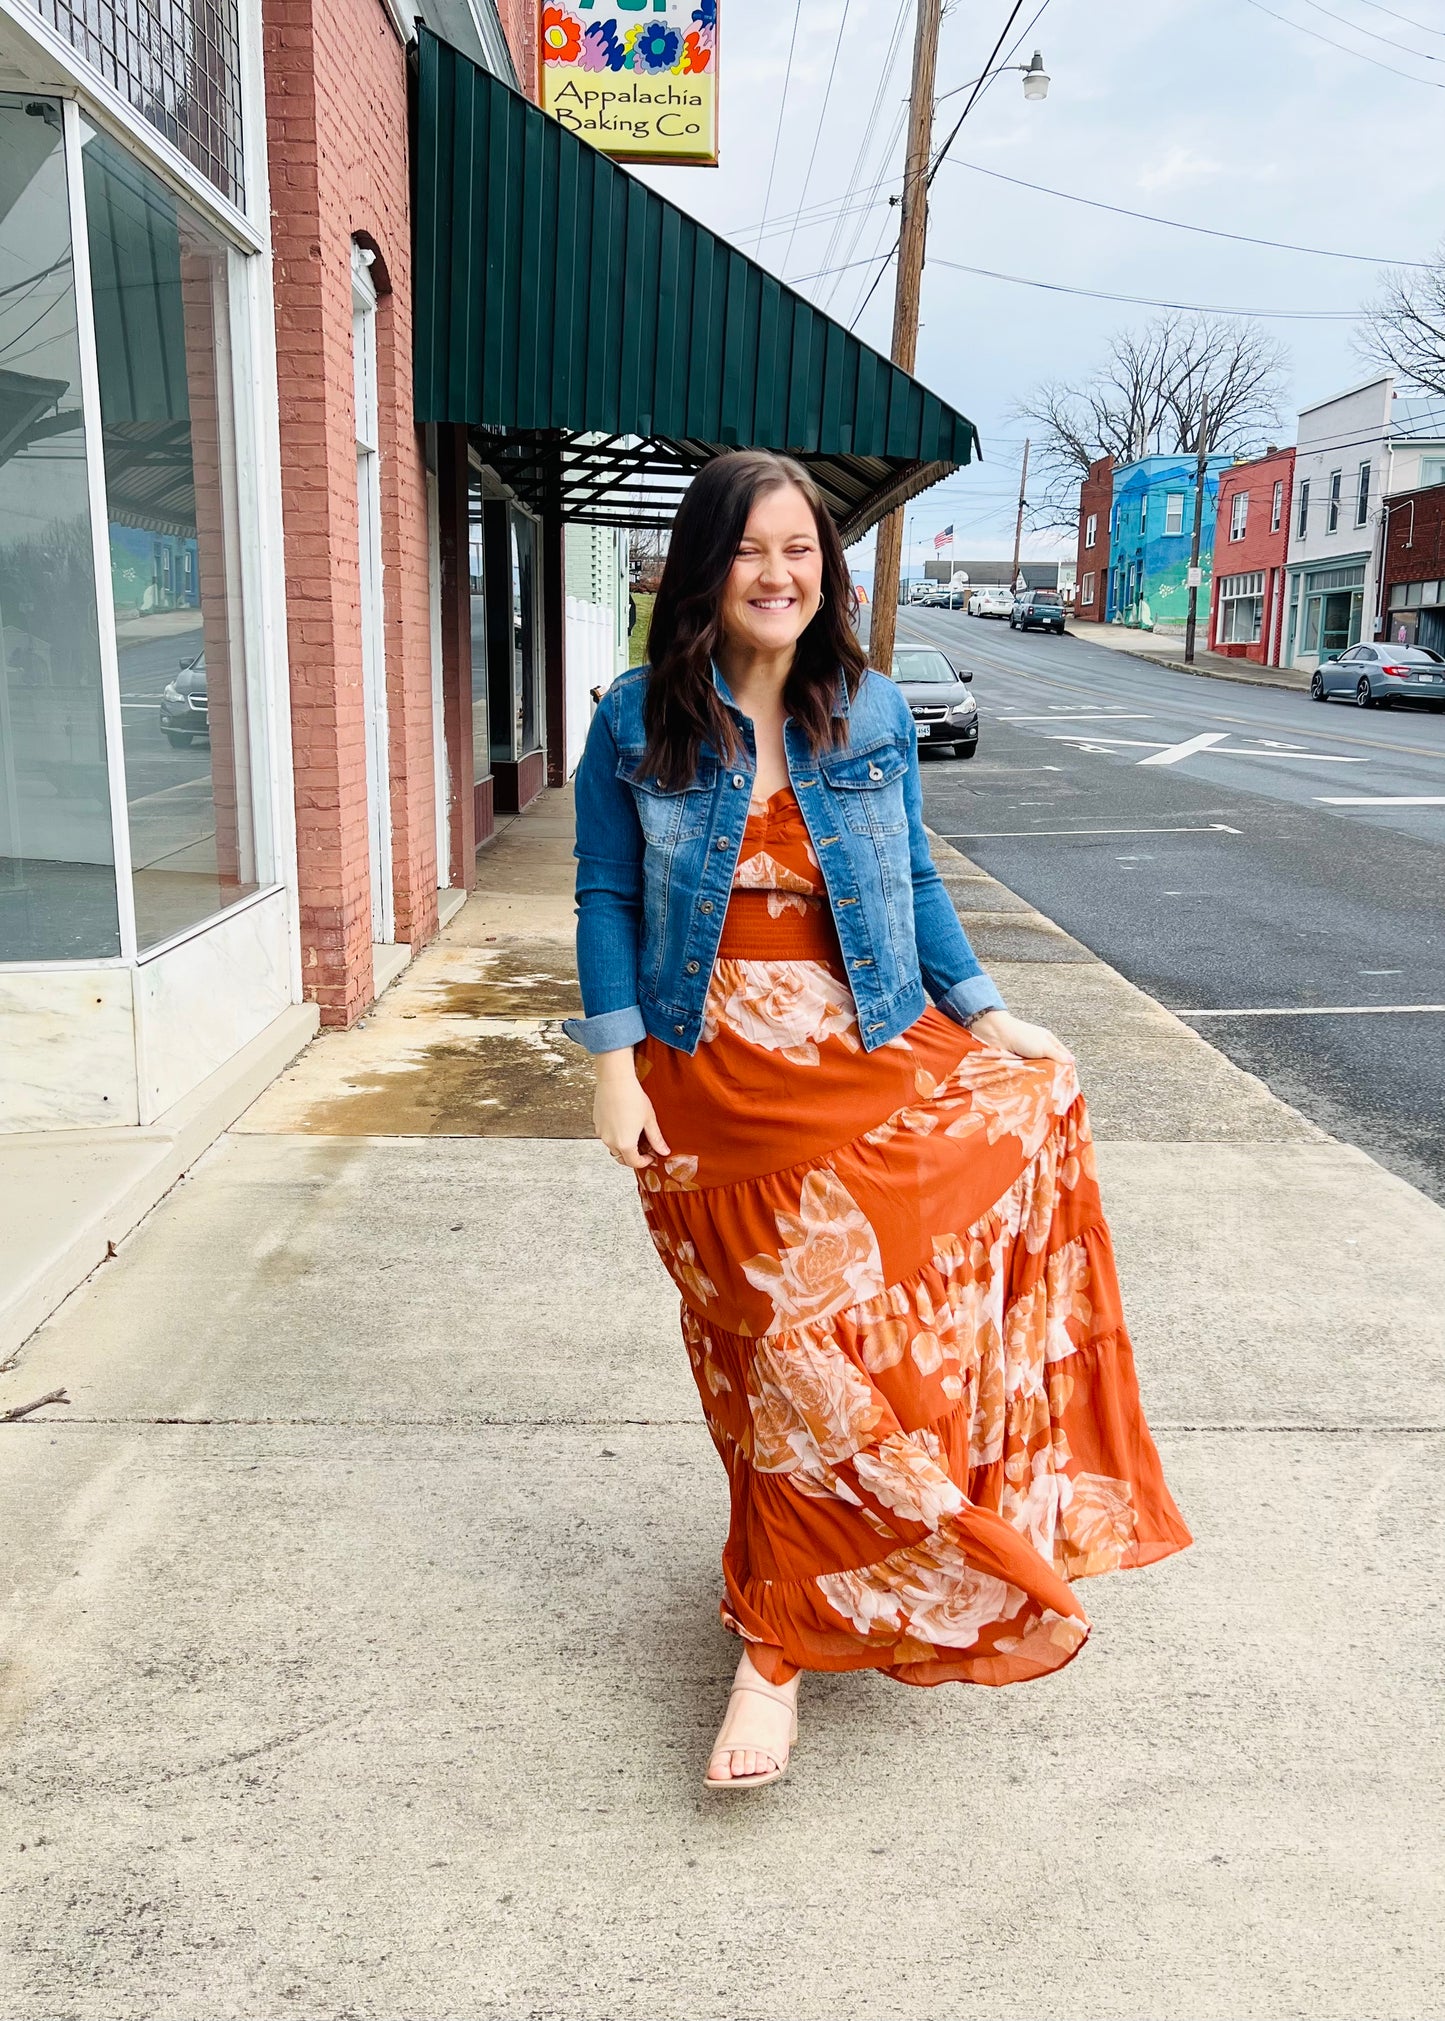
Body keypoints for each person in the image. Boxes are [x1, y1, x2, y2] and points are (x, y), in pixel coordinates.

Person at [564, 451, 1190, 1791]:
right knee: (771, 1372)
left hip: (863, 1058)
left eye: (799, 549)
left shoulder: (872, 711)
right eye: (749, 549)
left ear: (826, 571)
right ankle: (788, 1606)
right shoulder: (632, 718)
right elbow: (605, 897)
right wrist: (612, 1066)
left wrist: (987, 1014)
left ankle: (771, 1650)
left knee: (830, 1367)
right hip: (706, 1083)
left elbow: (910, 876)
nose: (777, 573)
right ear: (704, 567)